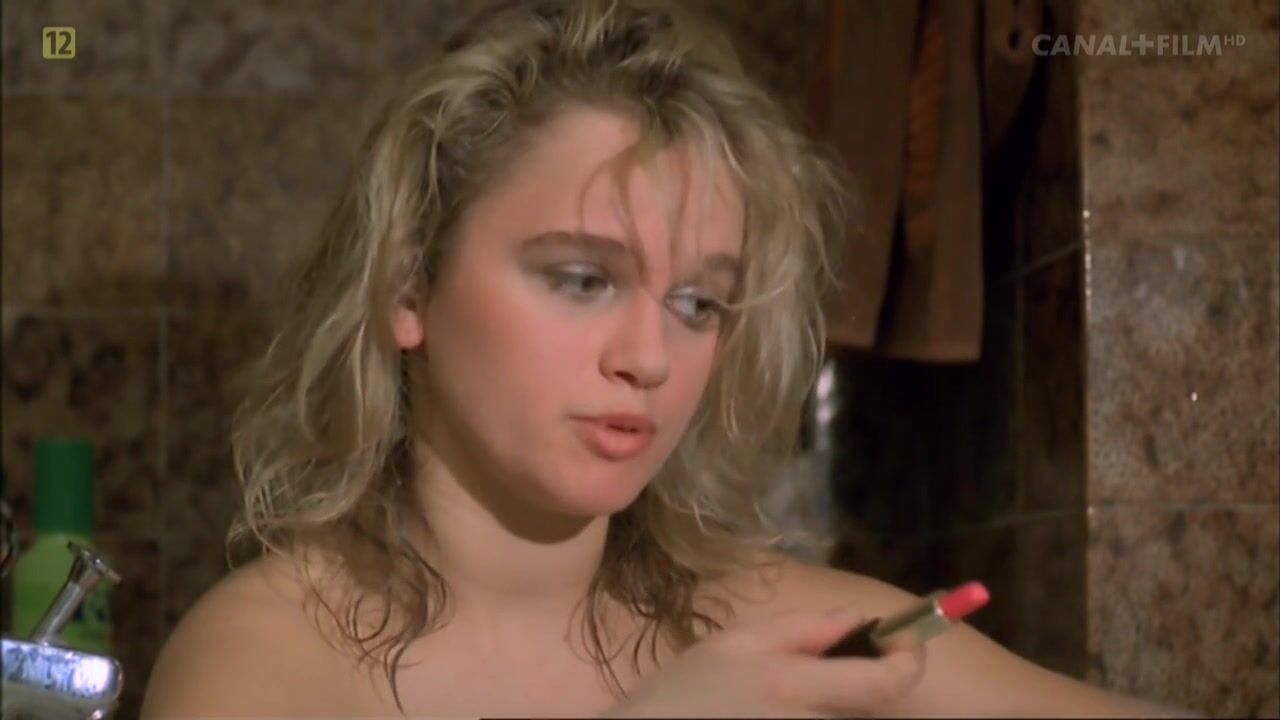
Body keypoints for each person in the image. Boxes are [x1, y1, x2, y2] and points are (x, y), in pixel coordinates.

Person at [141, 1, 1201, 717]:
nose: (650, 358)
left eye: (698, 303)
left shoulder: (775, 630)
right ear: (406, 288)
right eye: (581, 279)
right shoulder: (264, 654)